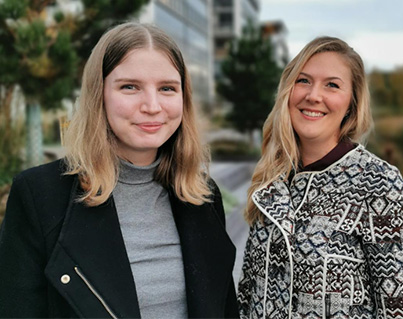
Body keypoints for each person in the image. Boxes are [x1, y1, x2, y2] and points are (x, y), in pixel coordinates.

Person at [0, 22, 239, 318]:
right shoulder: (39, 195)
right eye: (130, 87)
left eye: (167, 88)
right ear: (98, 95)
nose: (152, 106)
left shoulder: (202, 195)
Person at [237, 37, 403, 318]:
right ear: (288, 90)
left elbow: (401, 311)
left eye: (332, 85)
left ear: (351, 102)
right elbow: (247, 294)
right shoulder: (272, 177)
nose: (313, 95)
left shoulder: (378, 182)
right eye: (303, 81)